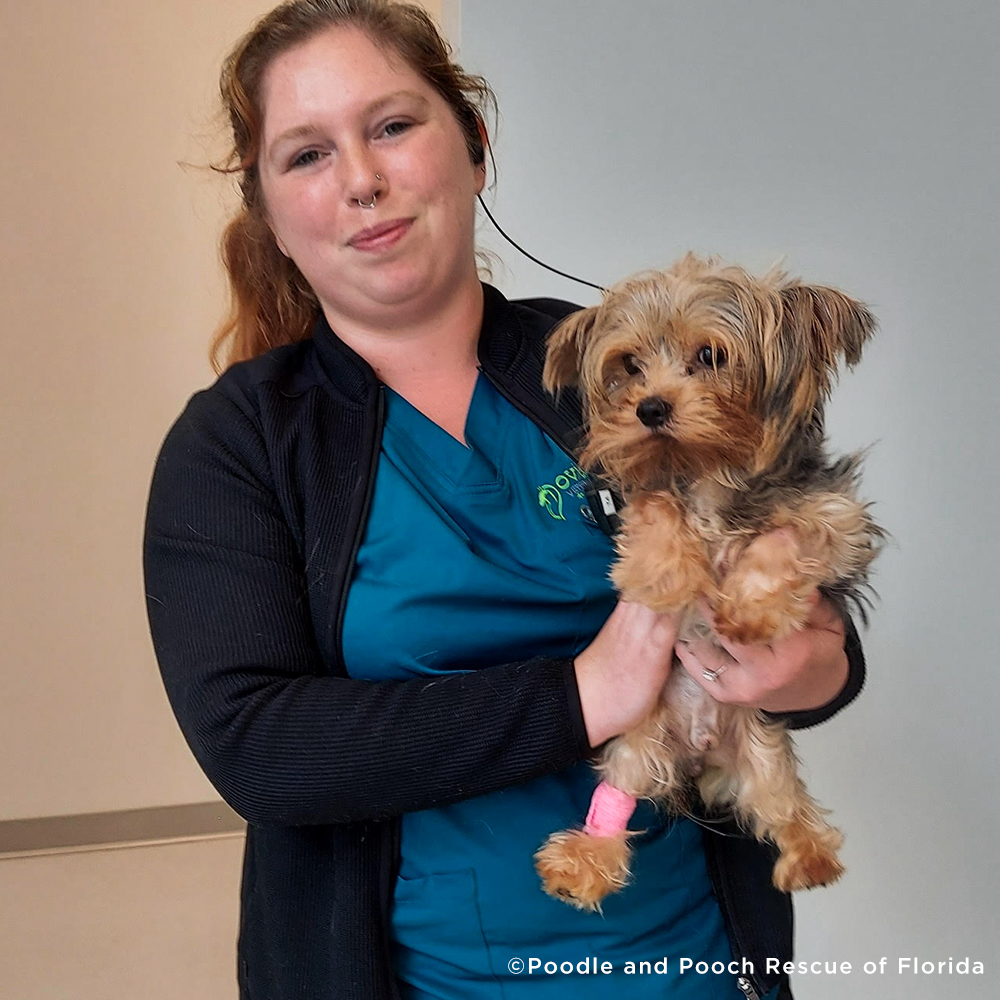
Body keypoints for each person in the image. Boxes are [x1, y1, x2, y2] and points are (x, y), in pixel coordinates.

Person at [143, 2, 865, 998]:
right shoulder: (235, 445)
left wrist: (809, 658)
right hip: (413, 977)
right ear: (266, 208)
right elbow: (261, 750)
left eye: (393, 126)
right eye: (307, 155)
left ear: (473, 147)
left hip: (693, 961)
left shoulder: (618, 361)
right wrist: (583, 694)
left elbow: (810, 601)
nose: (363, 179)